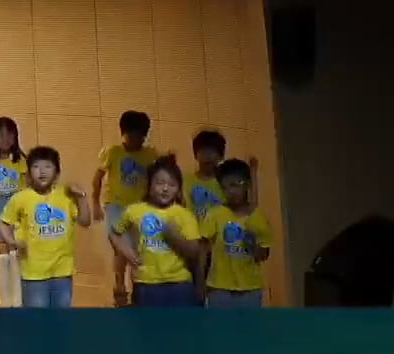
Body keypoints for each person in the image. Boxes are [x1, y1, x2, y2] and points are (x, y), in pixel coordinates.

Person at [0, 146, 93, 309]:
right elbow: (4, 222)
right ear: (29, 172)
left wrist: (81, 197)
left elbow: (85, 221)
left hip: (63, 271)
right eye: (36, 166)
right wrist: (11, 241)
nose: (42, 171)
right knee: (37, 319)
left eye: (48, 166)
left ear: (57, 172)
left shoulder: (66, 195)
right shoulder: (20, 198)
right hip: (33, 274)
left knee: (61, 317)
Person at [112, 159, 203, 308]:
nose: (165, 189)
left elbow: (195, 253)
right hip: (145, 283)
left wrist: (175, 238)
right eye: (160, 183)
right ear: (149, 185)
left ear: (178, 189)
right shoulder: (134, 210)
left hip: (178, 284)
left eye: (172, 185)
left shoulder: (184, 214)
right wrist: (125, 250)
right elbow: (114, 233)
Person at [90, 110, 159, 307]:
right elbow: (97, 179)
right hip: (116, 206)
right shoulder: (113, 152)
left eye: (140, 137)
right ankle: (120, 286)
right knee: (121, 248)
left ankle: (138, 289)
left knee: (138, 249)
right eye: (131, 136)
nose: (135, 140)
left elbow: (159, 177)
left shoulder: (150, 155)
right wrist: (95, 203)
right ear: (123, 133)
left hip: (140, 207)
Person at [200, 158, 273, 308]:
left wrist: (252, 245)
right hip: (219, 288)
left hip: (250, 289)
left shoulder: (258, 217)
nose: (230, 192)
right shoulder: (214, 215)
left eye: (234, 185)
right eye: (225, 187)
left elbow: (263, 255)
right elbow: (203, 251)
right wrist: (200, 282)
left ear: (247, 184)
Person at [0, 117, 28, 306]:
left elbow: (27, 186)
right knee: (2, 251)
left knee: (15, 250)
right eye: (0, 135)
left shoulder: (21, 161)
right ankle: (5, 297)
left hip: (17, 206)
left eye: (10, 134)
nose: (5, 139)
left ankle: (18, 298)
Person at [186, 130, 228, 224]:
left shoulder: (225, 182)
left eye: (212, 152)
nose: (207, 156)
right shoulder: (185, 181)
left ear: (221, 156)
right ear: (195, 155)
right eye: (203, 151)